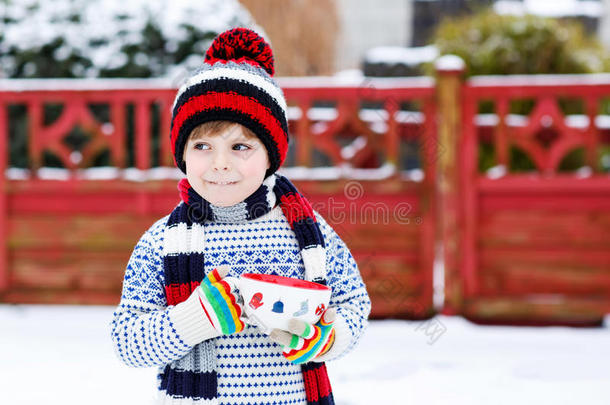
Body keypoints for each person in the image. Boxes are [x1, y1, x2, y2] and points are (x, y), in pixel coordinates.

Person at [110, 27, 371, 405]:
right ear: (182, 154)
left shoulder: (307, 232)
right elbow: (128, 341)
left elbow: (353, 305)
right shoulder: (161, 241)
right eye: (202, 145)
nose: (220, 164)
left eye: (240, 146)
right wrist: (195, 318)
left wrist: (327, 339)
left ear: (271, 156)